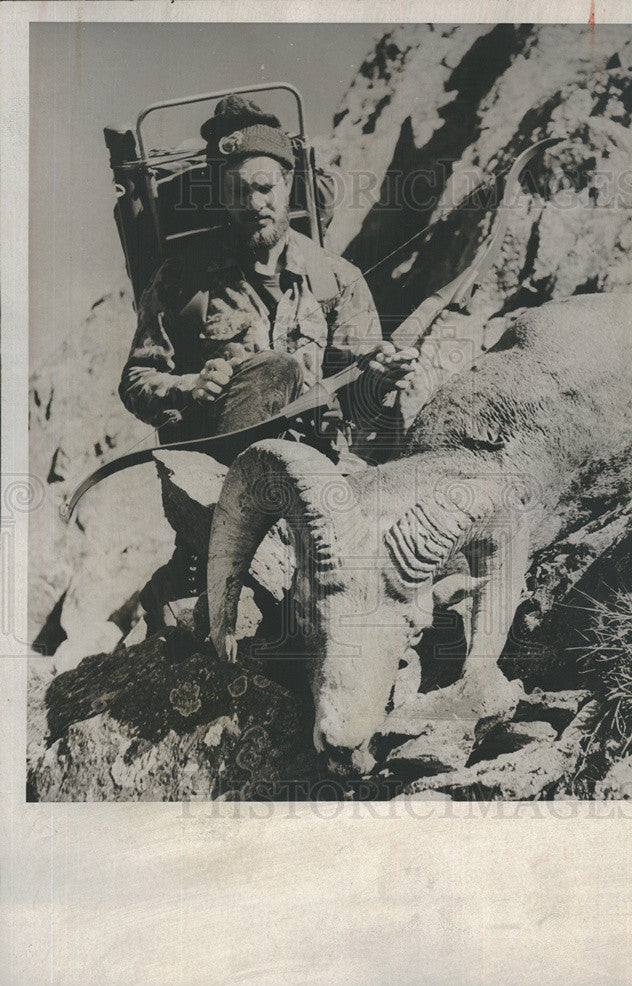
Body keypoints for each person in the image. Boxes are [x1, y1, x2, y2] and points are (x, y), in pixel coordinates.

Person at [119, 94, 418, 631]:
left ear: (288, 186)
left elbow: (361, 402)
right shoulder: (183, 280)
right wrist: (187, 387)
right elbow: (137, 381)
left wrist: (382, 378)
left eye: (264, 187)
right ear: (220, 197)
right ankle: (210, 563)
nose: (254, 202)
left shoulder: (337, 279)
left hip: (321, 481)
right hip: (218, 488)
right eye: (237, 192)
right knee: (275, 368)